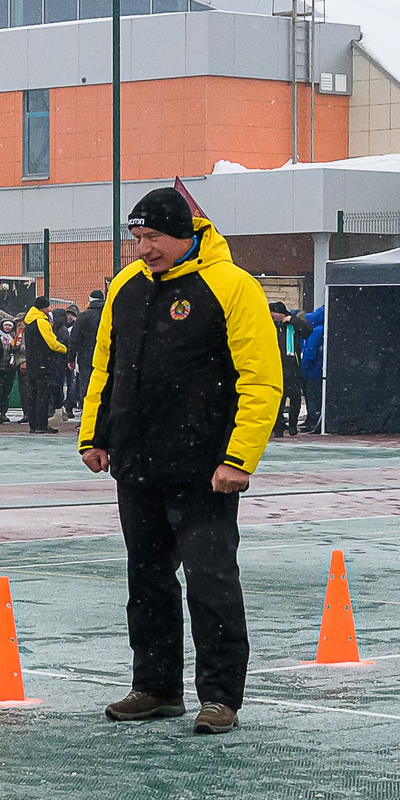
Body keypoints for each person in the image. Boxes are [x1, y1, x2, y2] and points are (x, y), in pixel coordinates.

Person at [78, 186, 281, 737]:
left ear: (186, 234)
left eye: (154, 238)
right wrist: (94, 435)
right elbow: (106, 368)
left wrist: (238, 458)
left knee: (210, 581)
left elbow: (261, 379)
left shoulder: (231, 286)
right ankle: (156, 687)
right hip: (137, 463)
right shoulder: (125, 288)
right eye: (137, 238)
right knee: (146, 580)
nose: (143, 249)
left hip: (205, 469)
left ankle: (219, 697)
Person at [20, 303, 69, 434]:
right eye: (47, 307)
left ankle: (33, 424)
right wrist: (65, 349)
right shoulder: (42, 321)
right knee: (43, 394)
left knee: (33, 394)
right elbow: (51, 342)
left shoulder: (29, 322)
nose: (48, 310)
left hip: (32, 363)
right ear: (43, 308)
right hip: (44, 363)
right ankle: (41, 425)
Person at [271, 301, 308, 436]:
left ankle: (293, 425)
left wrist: (292, 320)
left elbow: (307, 330)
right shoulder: (271, 326)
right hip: (277, 368)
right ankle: (278, 427)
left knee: (295, 397)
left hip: (293, 368)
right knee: (278, 400)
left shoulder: (292, 326)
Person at [68, 289, 106, 415]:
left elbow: (74, 339)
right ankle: (103, 416)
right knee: (105, 387)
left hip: (86, 358)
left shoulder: (83, 316)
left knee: (86, 387)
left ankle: (88, 416)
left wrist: (71, 358)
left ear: (90, 300)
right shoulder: (110, 314)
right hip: (106, 357)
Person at [300, 304, 326, 432]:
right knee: (316, 396)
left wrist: (303, 367)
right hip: (319, 370)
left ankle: (313, 420)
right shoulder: (322, 329)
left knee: (312, 397)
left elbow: (309, 352)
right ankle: (314, 418)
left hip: (312, 371)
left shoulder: (315, 331)